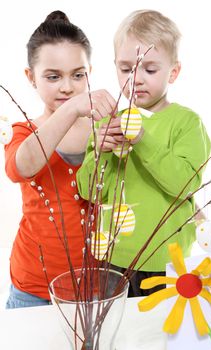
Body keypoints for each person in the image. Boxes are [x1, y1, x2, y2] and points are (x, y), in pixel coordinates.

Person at [76, 9, 211, 296]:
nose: (135, 78)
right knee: (118, 335)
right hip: (112, 258)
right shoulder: (105, 124)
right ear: (114, 67)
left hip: (168, 259)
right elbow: (89, 192)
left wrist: (142, 138)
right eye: (126, 69)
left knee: (160, 335)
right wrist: (99, 154)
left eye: (149, 69)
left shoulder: (186, 123)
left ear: (173, 72)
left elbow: (184, 185)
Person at [4, 10, 116, 308]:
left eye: (78, 75)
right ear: (31, 77)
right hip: (34, 289)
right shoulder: (23, 131)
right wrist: (73, 109)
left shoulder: (102, 129)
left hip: (97, 284)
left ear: (89, 72)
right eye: (53, 77)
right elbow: (20, 167)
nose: (67, 87)